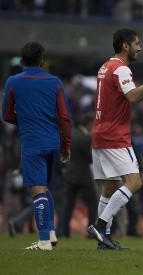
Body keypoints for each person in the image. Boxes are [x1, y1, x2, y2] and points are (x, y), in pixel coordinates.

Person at [86, 28, 143, 250]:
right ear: (126, 46)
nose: (140, 47)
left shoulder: (105, 67)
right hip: (115, 135)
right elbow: (134, 97)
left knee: (109, 187)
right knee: (135, 182)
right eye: (137, 44)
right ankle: (100, 226)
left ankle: (104, 240)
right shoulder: (121, 70)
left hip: (99, 133)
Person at [2, 41, 71, 250]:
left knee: (37, 191)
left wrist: (24, 120)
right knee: (44, 188)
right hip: (53, 142)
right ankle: (50, 233)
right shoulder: (55, 82)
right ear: (42, 61)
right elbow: (65, 117)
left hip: (32, 143)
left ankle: (43, 242)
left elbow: (6, 115)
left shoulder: (13, 81)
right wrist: (66, 145)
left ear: (22, 61)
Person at [59, 114, 97, 238]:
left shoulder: (71, 133)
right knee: (92, 203)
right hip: (82, 176)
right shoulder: (85, 138)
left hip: (69, 174)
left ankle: (63, 232)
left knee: (68, 205)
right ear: (89, 124)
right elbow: (91, 158)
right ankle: (91, 232)